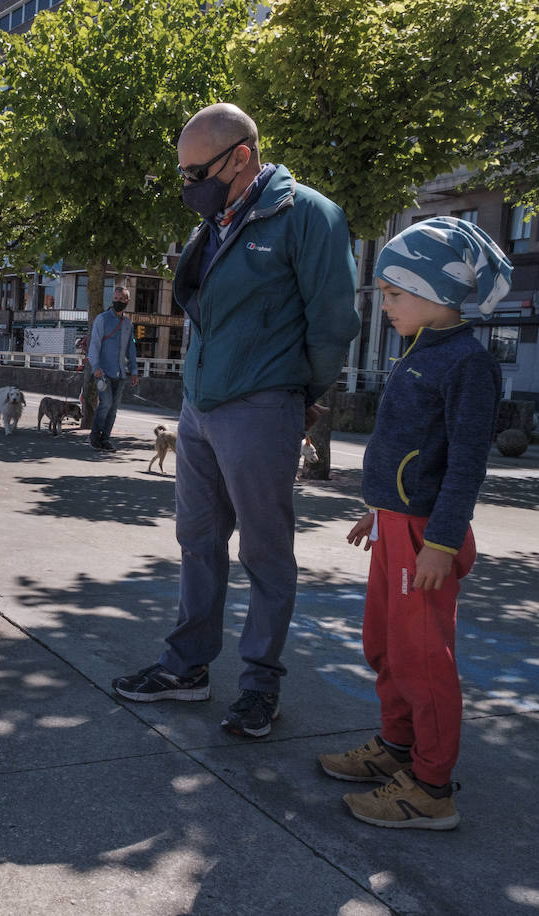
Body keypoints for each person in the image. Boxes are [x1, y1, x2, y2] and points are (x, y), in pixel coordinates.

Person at [112, 103, 360, 739]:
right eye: (182, 173)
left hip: (261, 404)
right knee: (197, 541)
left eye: (197, 171)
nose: (187, 184)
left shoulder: (307, 214)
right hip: (200, 406)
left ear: (242, 157)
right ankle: (188, 668)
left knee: (265, 552)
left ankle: (259, 686)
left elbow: (333, 323)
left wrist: (294, 396)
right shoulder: (220, 221)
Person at [320, 217, 509, 830]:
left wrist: (442, 542)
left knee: (424, 660)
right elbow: (409, 448)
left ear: (437, 292)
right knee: (385, 646)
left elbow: (463, 466)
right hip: (393, 529)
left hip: (426, 536)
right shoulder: (420, 352)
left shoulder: (466, 364)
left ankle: (431, 788)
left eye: (395, 294)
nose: (386, 305)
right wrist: (375, 508)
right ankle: (396, 751)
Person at [86, 286, 138, 451]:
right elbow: (94, 344)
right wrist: (95, 366)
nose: (118, 302)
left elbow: (131, 348)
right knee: (106, 403)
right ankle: (94, 437)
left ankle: (105, 439)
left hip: (120, 373)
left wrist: (134, 370)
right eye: (115, 299)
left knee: (113, 409)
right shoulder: (102, 319)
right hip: (102, 372)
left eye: (122, 299)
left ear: (127, 301)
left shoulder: (128, 323)